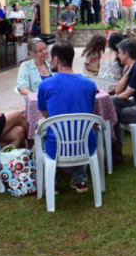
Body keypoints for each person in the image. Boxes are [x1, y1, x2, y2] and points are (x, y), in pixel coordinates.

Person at [37, 40, 98, 193]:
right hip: (85, 144)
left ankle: (54, 181)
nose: (49, 60)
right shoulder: (90, 85)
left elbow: (45, 114)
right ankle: (80, 179)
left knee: (45, 132)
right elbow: (87, 112)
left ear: (56, 59)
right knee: (80, 130)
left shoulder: (45, 85)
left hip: (56, 147)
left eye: (51, 57)